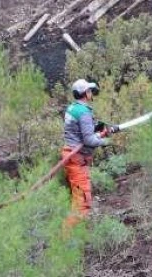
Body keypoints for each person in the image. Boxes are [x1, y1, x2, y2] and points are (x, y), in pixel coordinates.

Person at [61, 79, 118, 228]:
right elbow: (88, 140)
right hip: (77, 162)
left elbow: (82, 136)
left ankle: (71, 236)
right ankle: (67, 241)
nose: (91, 93)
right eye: (90, 91)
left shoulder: (72, 108)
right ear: (86, 93)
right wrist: (106, 141)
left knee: (77, 200)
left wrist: (101, 134)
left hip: (71, 157)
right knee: (82, 204)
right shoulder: (84, 112)